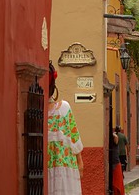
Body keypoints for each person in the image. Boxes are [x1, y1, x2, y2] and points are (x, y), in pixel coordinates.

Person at [47, 63, 84, 195]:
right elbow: (75, 139)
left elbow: (74, 138)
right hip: (57, 169)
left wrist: (79, 162)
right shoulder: (39, 112)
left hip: (64, 170)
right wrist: (80, 163)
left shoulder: (64, 108)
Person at [108, 126, 124, 194]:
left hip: (115, 162)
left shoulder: (116, 137)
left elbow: (116, 138)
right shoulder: (120, 136)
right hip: (114, 161)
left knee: (117, 184)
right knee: (116, 183)